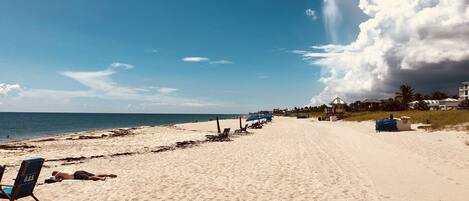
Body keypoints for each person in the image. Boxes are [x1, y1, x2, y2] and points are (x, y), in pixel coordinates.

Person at [52, 170, 117, 181]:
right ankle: (108, 175)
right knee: (95, 174)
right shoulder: (63, 172)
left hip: (76, 175)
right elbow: (61, 179)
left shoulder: (59, 173)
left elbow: (54, 178)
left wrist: (54, 177)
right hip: (79, 171)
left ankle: (101, 179)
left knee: (89, 178)